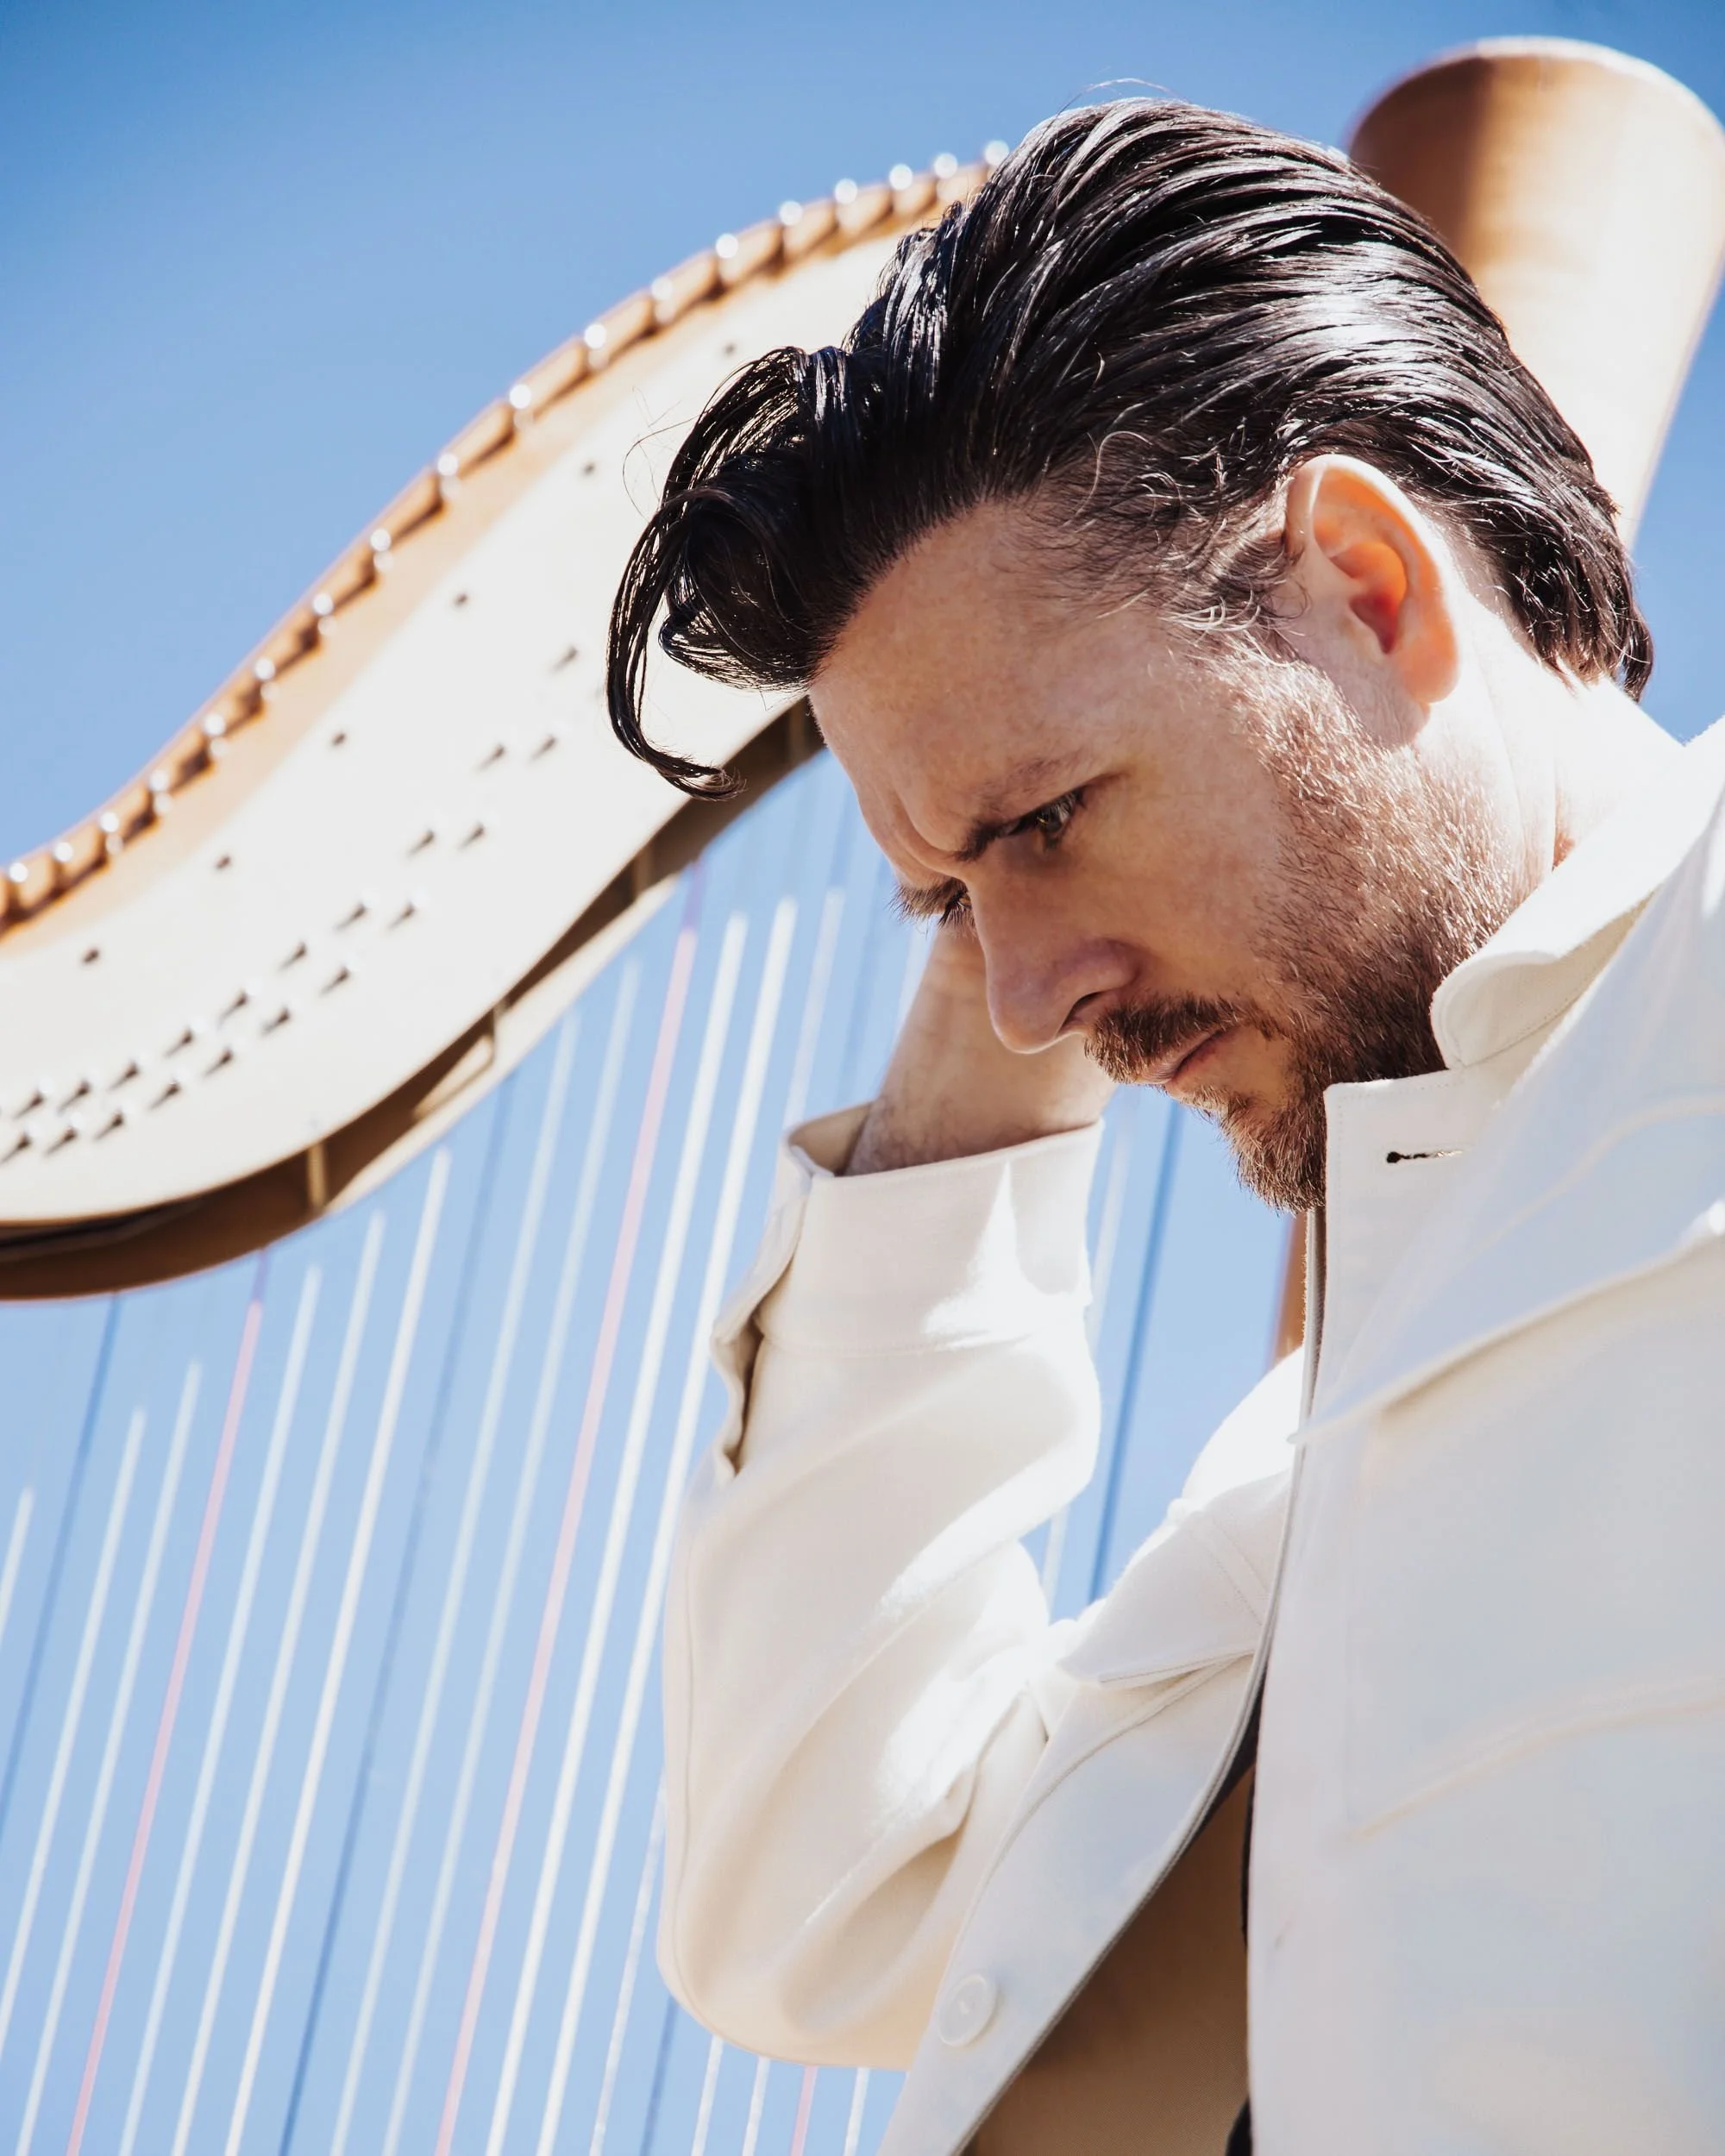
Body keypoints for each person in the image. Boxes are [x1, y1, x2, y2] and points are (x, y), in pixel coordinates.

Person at [605, 98, 1725, 2155]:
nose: (1024, 993)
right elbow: (811, 1902)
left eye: (1048, 818)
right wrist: (1001, 879)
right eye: (943, 902)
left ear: (1365, 584)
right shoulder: (1278, 1476)